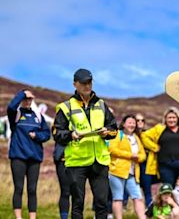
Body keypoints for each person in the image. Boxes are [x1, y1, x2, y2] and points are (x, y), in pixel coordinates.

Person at [53, 68, 118, 219]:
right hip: (77, 162)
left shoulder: (101, 104)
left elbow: (114, 129)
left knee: (102, 203)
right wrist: (71, 135)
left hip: (99, 161)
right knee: (78, 202)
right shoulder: (66, 107)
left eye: (89, 82)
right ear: (75, 84)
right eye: (83, 83)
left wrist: (106, 132)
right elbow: (57, 133)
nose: (87, 86)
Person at [8, 90, 51, 219]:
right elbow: (10, 106)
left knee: (32, 190)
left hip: (34, 159)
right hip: (18, 157)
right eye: (25, 99)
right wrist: (22, 93)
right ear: (21, 100)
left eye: (30, 99)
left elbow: (47, 134)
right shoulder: (15, 115)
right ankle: (18, 217)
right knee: (19, 188)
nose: (28, 101)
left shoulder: (38, 116)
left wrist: (37, 135)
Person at [141, 107, 179, 186]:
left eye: (174, 118)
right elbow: (144, 136)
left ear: (178, 118)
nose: (172, 120)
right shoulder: (159, 128)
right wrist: (154, 147)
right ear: (165, 119)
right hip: (165, 165)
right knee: (169, 188)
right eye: (169, 118)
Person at [108, 115, 146, 219]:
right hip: (117, 171)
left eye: (134, 123)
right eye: (129, 122)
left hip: (132, 173)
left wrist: (138, 157)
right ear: (124, 124)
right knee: (118, 198)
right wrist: (130, 155)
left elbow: (143, 155)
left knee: (138, 197)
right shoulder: (117, 135)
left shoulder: (136, 138)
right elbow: (112, 150)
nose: (132, 125)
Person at [53, 139, 71, 219]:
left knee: (77, 193)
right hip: (62, 160)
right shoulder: (60, 126)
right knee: (65, 191)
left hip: (80, 160)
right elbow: (58, 134)